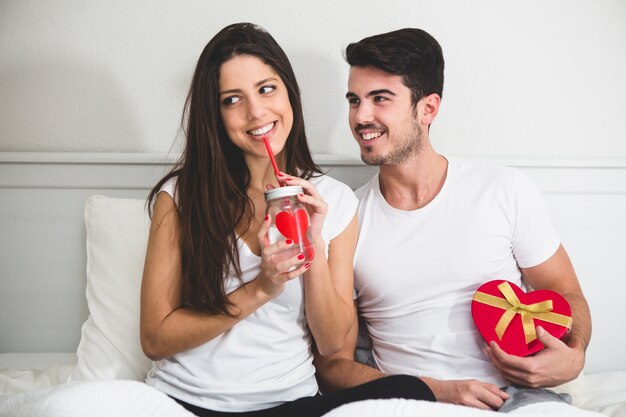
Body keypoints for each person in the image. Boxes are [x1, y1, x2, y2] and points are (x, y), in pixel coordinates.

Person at [139, 23, 434, 417]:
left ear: (288, 93)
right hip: (183, 402)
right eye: (232, 99)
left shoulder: (333, 202)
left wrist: (313, 244)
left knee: (413, 392)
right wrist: (260, 289)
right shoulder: (179, 196)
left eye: (266, 89)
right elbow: (155, 338)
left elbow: (331, 344)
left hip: (288, 403)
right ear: (216, 115)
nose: (255, 111)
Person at [314, 28, 592, 412]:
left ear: (428, 108)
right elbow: (333, 367)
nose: (361, 116)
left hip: (513, 397)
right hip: (404, 400)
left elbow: (566, 293)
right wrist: (435, 390)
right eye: (354, 100)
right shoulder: (348, 218)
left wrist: (574, 353)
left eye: (380, 99)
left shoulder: (502, 188)